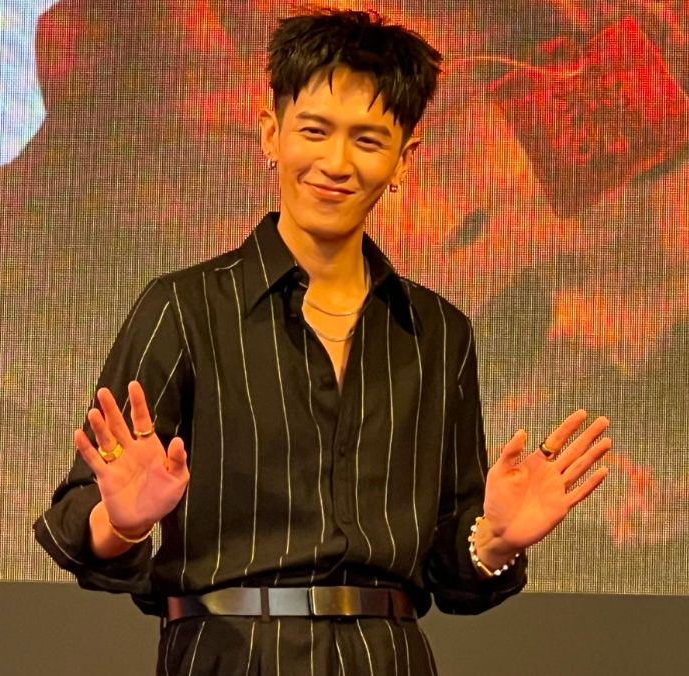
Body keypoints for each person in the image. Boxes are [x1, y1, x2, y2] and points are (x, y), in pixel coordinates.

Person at [34, 8, 611, 674]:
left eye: (367, 140)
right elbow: (80, 518)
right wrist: (124, 522)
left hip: (387, 655)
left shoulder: (439, 333)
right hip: (229, 653)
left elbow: (450, 565)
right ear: (271, 132)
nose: (336, 163)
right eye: (315, 131)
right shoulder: (185, 308)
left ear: (403, 159)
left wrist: (496, 540)